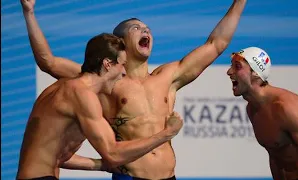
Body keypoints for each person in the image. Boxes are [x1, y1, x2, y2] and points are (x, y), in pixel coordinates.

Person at [21, 0, 247, 178]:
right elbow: (48, 62)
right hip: (130, 177)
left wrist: (240, 1)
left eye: (147, 28)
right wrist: (29, 13)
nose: (145, 30)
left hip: (168, 176)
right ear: (119, 42)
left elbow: (216, 44)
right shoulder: (103, 78)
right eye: (136, 28)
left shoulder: (168, 76)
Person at [16, 32, 183, 180]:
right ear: (107, 64)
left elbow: (59, 155)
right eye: (122, 65)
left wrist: (100, 165)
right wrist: (166, 134)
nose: (124, 73)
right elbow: (112, 153)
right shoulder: (81, 94)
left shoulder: (66, 88)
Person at [227, 47, 298, 180]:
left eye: (237, 67)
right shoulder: (252, 109)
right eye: (231, 66)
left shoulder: (288, 108)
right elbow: (275, 155)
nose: (229, 72)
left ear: (256, 73)